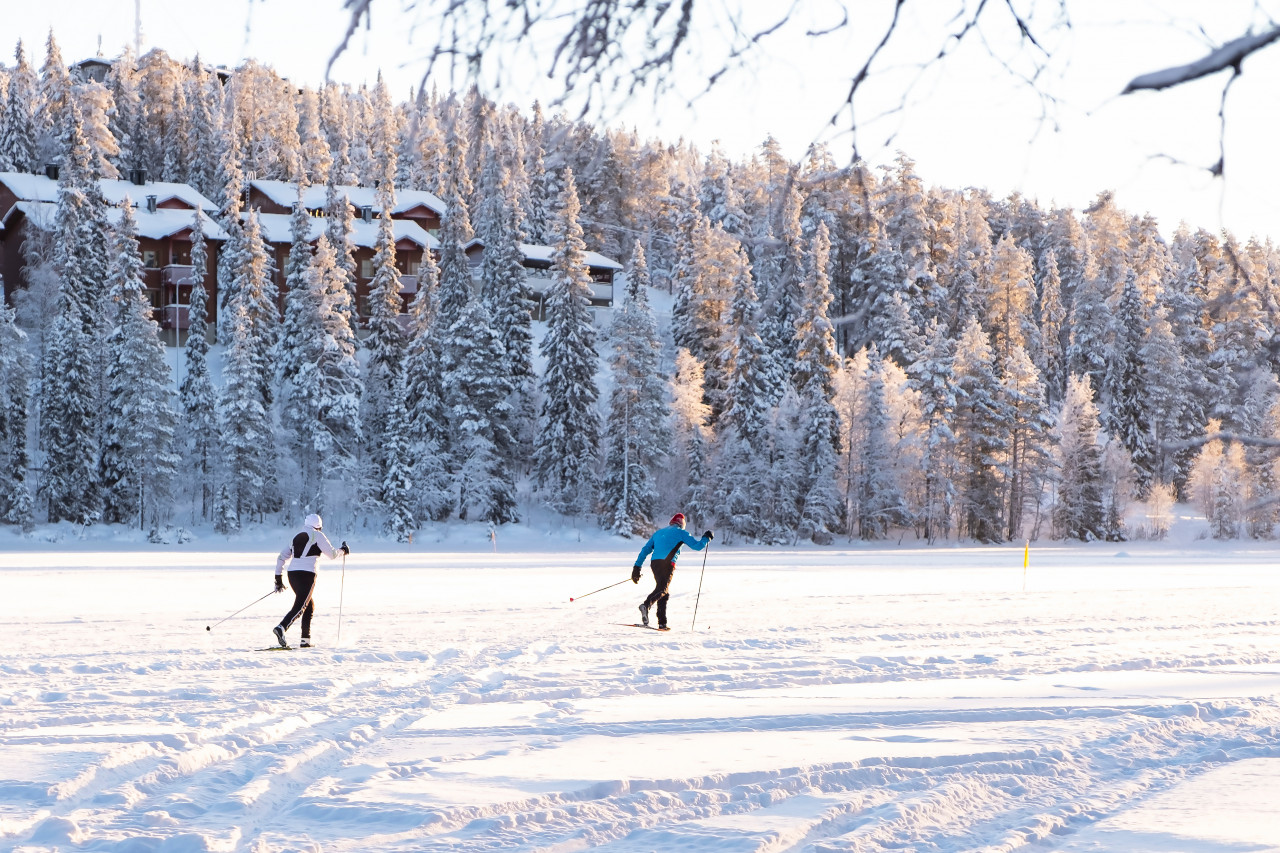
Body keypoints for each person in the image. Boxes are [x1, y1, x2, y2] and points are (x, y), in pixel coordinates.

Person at [272, 513, 349, 648]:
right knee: (301, 606)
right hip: (307, 574)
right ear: (319, 526)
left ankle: (305, 640)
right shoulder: (318, 535)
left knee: (308, 604)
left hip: (292, 574)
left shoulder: (295, 537)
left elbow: (281, 557)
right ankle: (281, 627)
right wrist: (343, 550)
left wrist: (278, 579)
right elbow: (332, 554)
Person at [631, 513, 713, 630]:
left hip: (654, 563)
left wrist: (636, 568)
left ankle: (662, 623)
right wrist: (707, 538)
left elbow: (645, 550)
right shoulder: (681, 533)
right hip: (667, 563)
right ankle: (646, 605)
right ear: (682, 524)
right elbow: (697, 546)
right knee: (663, 589)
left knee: (663, 591)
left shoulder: (658, 533)